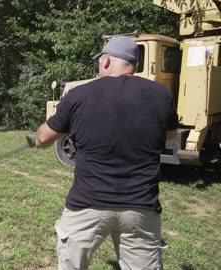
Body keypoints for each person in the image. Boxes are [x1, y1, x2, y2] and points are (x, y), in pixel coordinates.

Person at [34, 36, 178, 270]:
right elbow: (170, 136)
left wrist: (38, 138)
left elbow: (43, 138)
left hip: (88, 204)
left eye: (100, 61)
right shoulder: (161, 95)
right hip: (141, 207)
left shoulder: (79, 94)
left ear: (108, 61)